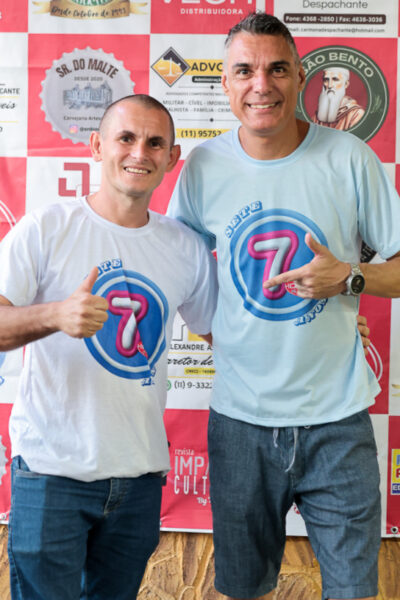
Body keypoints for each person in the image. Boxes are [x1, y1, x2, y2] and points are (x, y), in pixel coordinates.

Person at [167, 12, 400, 600]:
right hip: (239, 424)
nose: (261, 85)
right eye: (244, 71)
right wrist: (225, 337)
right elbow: (180, 272)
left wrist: (349, 277)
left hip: (338, 420)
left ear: (300, 77)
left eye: (276, 69)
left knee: (354, 590)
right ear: (225, 82)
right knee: (243, 589)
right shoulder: (203, 167)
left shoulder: (349, 158)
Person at [0, 94, 217, 600]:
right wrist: (55, 315)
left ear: (172, 157)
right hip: (52, 474)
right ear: (98, 146)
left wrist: (333, 334)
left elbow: (230, 339)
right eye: (126, 138)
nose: (139, 152)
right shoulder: (47, 228)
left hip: (138, 479)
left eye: (155, 142)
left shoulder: (185, 246)